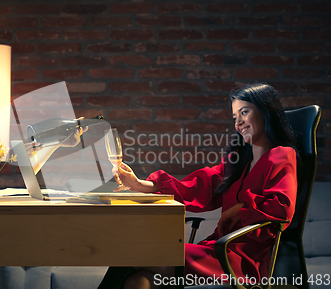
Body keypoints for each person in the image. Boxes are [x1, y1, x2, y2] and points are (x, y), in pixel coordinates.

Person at [97, 83, 298, 289]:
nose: (239, 122)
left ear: (265, 112)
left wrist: (240, 210)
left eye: (244, 113)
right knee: (138, 281)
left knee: (137, 253)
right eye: (235, 117)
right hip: (215, 250)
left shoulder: (281, 155)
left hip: (242, 260)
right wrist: (139, 184)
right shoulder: (237, 162)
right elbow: (197, 187)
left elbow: (282, 207)